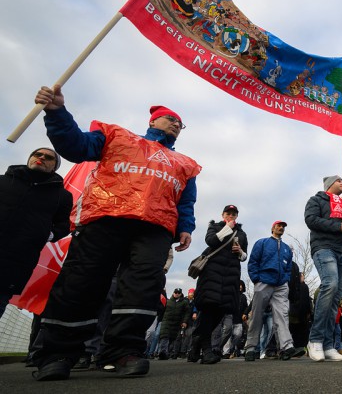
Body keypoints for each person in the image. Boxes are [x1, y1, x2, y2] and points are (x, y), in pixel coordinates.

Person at [31, 85, 201, 381]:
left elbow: (185, 200)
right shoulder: (116, 136)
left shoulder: (184, 164)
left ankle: (123, 351)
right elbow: (75, 146)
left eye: (180, 123)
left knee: (143, 286)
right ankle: (58, 352)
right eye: (170, 119)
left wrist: (185, 227)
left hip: (155, 228)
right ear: (153, 121)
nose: (176, 124)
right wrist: (57, 112)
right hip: (105, 218)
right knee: (82, 281)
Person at [0, 147, 72, 319]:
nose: (41, 158)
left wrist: (46, 235)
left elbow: (64, 225)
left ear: (54, 166)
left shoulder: (62, 196)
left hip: (15, 264)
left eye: (48, 157)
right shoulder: (2, 181)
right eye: (37, 154)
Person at [304, 175, 342, 362]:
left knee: (336, 295)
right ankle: (315, 340)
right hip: (324, 248)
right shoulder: (316, 200)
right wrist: (337, 226)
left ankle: (328, 345)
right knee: (330, 284)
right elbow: (311, 220)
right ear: (330, 185)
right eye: (339, 181)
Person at [189, 205, 248, 364]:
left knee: (221, 311)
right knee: (208, 309)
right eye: (228, 213)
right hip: (212, 274)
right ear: (223, 214)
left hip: (230, 277)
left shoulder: (242, 233)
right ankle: (206, 350)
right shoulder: (215, 227)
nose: (231, 216)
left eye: (234, 214)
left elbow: (244, 256)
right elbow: (211, 241)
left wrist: (240, 252)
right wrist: (227, 228)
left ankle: (196, 344)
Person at [244, 220, 304, 361]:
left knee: (282, 315)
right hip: (264, 281)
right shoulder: (262, 243)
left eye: (283, 226)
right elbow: (253, 262)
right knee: (257, 315)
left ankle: (286, 347)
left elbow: (288, 267)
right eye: (279, 226)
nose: (281, 228)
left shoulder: (286, 248)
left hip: (281, 285)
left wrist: (285, 279)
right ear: (272, 228)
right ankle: (251, 348)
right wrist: (256, 279)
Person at [158, 288, 191, 359]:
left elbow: (187, 312)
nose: (177, 293)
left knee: (172, 338)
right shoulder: (168, 301)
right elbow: (162, 310)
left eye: (178, 293)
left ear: (181, 294)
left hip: (177, 323)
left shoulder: (184, 302)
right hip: (166, 321)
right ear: (173, 293)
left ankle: (168, 352)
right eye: (175, 292)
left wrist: (184, 321)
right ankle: (163, 352)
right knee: (164, 336)